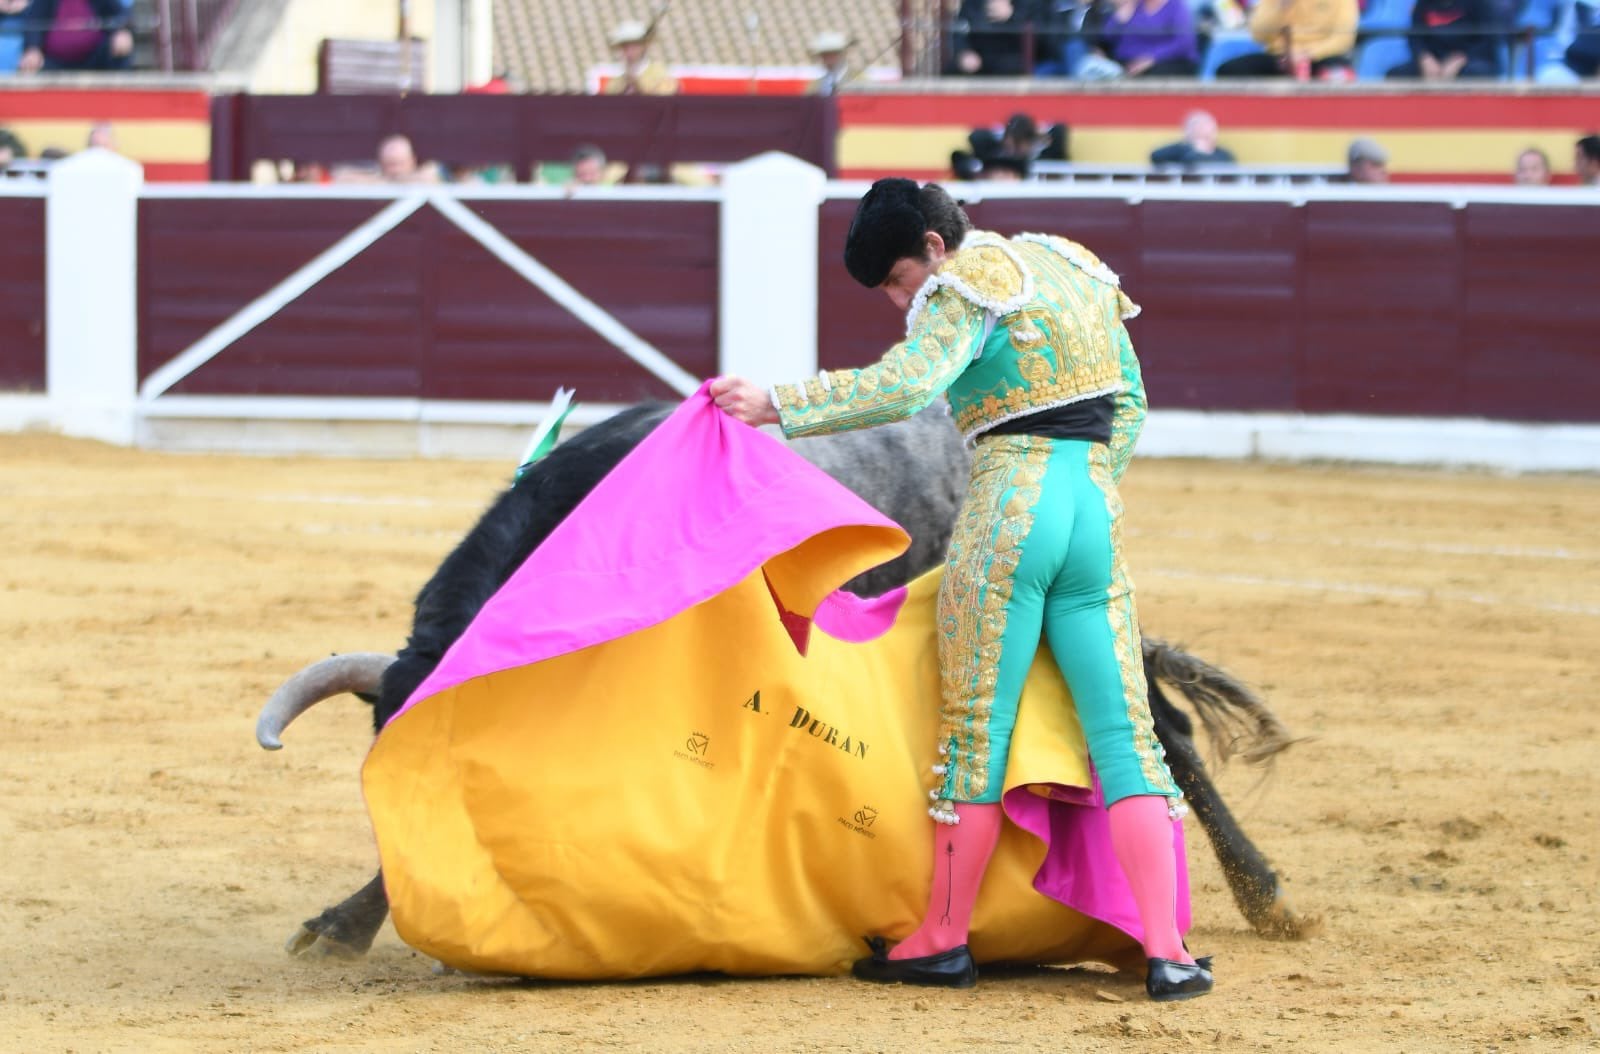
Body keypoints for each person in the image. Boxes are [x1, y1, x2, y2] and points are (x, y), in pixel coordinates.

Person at [709, 179, 1209, 1002]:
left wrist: (778, 404)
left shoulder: (962, 285)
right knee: (1126, 741)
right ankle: (1168, 949)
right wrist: (1093, 483)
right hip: (1093, 510)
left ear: (934, 249)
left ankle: (942, 938)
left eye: (900, 282)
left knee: (976, 734)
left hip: (1011, 509)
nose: (905, 300)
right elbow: (1132, 397)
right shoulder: (1071, 264)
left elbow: (904, 388)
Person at [1215, 0, 1359, 78]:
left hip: (1321, 57)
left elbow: (1344, 39)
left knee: (1338, 74)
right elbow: (1258, 34)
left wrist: (1306, 55)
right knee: (1228, 71)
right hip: (1280, 58)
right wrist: (1280, 7)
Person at [1386, 0, 1501, 79]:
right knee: (1394, 75)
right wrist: (1424, 58)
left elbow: (1487, 40)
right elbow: (1415, 37)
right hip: (1433, 62)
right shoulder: (1424, 3)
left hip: (1468, 62)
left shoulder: (1479, 3)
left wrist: (1461, 60)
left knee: (1478, 73)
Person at [16, 0, 134, 73]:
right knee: (30, 64)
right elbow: (34, 24)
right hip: (54, 63)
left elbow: (121, 15)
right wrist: (33, 49)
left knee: (121, 46)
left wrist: (121, 31)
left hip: (95, 59)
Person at [950, 0, 1059, 76]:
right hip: (979, 61)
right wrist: (963, 52)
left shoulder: (1033, 3)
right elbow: (960, 29)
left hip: (1018, 60)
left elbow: (1045, 38)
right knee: (950, 72)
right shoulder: (973, 2)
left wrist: (1012, 16)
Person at [1099, 0, 1202, 76]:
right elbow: (1108, 38)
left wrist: (1151, 58)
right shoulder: (1133, 5)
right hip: (1126, 63)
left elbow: (1184, 43)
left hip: (1167, 62)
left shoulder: (1176, 6)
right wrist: (1119, 17)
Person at [604, 19, 678, 95]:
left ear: (644, 46)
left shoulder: (661, 73)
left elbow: (665, 98)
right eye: (625, 46)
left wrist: (637, 86)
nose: (629, 50)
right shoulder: (616, 82)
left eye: (634, 45)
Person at [1150, 110, 1236, 166]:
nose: (1199, 130)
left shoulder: (1223, 155)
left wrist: (1201, 153)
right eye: (1195, 126)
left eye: (1204, 126)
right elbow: (1156, 156)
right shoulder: (1179, 151)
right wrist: (1190, 149)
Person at [806, 30, 853, 95]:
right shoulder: (815, 86)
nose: (828, 58)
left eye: (834, 54)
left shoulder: (859, 81)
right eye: (824, 55)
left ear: (843, 54)